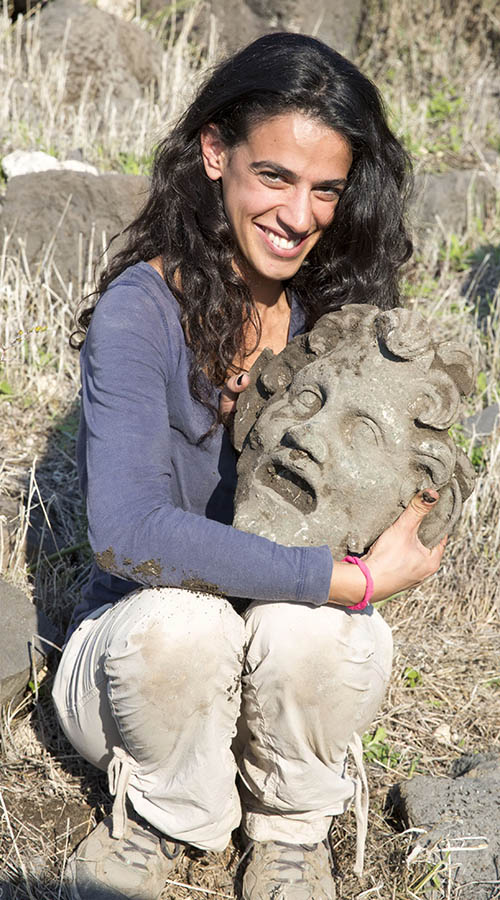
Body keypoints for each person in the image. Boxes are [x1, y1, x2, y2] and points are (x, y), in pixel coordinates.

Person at [52, 32, 447, 900]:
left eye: (325, 190)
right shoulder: (140, 314)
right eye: (275, 176)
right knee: (187, 628)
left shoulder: (333, 321)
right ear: (214, 154)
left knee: (327, 631)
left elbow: (400, 514)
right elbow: (126, 533)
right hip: (139, 667)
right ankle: (157, 814)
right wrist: (348, 580)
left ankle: (289, 833)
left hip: (275, 662)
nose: (300, 215)